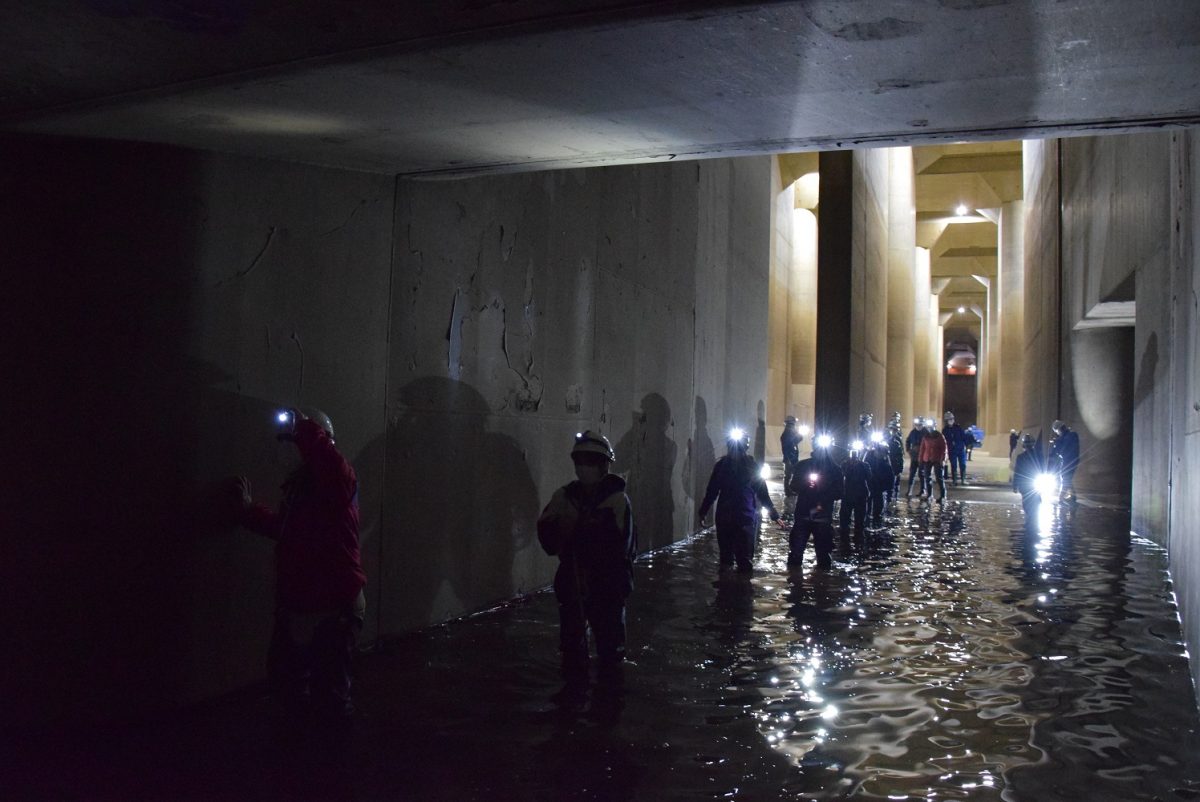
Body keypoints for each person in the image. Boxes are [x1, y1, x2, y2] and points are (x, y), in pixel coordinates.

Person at [231, 407, 368, 723]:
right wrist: (248, 512)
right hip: (303, 605)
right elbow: (289, 530)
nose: (288, 450)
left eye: (292, 442)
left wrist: (305, 428)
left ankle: (326, 751)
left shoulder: (338, 479)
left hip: (333, 608)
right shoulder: (302, 489)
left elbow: (330, 466)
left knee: (329, 701)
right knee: (289, 687)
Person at [537, 430, 637, 683]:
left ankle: (608, 696)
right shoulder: (564, 497)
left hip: (607, 585)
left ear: (604, 465)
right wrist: (560, 533)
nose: (584, 467)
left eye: (591, 461)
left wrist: (583, 536)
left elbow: (622, 547)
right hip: (572, 580)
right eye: (580, 461)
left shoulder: (617, 501)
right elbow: (547, 535)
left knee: (611, 653)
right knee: (572, 648)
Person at [699, 428, 779, 573]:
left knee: (727, 560)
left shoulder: (723, 465)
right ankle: (742, 585)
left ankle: (726, 585)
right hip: (743, 516)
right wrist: (774, 514)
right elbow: (762, 492)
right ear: (746, 446)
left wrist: (703, 512)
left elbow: (712, 492)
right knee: (743, 560)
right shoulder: (749, 465)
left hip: (728, 516)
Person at [786, 436, 840, 569]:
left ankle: (820, 581)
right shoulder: (803, 465)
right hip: (804, 514)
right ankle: (796, 580)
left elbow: (839, 493)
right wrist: (806, 484)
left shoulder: (835, 469)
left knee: (823, 557)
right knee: (796, 555)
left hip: (821, 516)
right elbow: (793, 486)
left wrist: (823, 489)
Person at [839, 440, 872, 540]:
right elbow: (841, 475)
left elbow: (869, 477)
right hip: (848, 493)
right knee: (844, 519)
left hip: (860, 494)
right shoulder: (845, 464)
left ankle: (859, 537)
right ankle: (844, 537)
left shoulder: (864, 465)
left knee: (860, 519)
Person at [1012, 433, 1043, 524]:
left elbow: (1017, 472)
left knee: (1027, 504)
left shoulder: (1021, 457)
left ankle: (1030, 521)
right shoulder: (1039, 456)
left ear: (1023, 445)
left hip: (1025, 485)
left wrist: (1015, 485)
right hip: (1033, 483)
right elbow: (1043, 469)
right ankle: (1032, 521)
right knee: (1036, 501)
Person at [864, 436, 894, 526]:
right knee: (869, 499)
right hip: (870, 484)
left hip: (879, 485)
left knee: (878, 500)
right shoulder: (869, 459)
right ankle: (868, 514)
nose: (880, 454)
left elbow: (890, 477)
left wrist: (889, 490)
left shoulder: (885, 464)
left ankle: (876, 515)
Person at [1049, 420, 1081, 503]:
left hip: (1069, 460)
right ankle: (1073, 496)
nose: (1057, 434)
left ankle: (1061, 497)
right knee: (1067, 478)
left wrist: (1057, 442)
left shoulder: (1070, 436)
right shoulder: (1070, 435)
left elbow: (1063, 449)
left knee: (1065, 478)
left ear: (1059, 430)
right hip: (1069, 460)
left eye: (1057, 432)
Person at [918, 419, 948, 503]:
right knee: (927, 477)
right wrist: (920, 459)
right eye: (928, 427)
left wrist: (943, 459)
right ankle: (929, 495)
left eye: (931, 427)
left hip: (937, 459)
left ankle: (943, 495)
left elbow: (944, 449)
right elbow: (922, 448)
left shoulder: (940, 436)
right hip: (927, 459)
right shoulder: (926, 437)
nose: (929, 428)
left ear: (934, 426)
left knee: (939, 478)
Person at [780, 416, 803, 518]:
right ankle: (788, 490)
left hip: (793, 457)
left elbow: (799, 439)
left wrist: (798, 433)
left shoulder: (790, 433)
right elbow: (786, 447)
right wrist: (788, 459)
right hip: (789, 458)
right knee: (788, 475)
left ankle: (790, 489)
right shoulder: (786, 434)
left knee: (791, 474)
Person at [942, 411, 968, 486]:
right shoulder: (945, 430)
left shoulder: (958, 428)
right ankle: (954, 481)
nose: (951, 420)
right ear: (946, 421)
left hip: (960, 449)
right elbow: (944, 441)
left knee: (963, 465)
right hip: (952, 451)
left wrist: (967, 445)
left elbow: (964, 437)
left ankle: (963, 480)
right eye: (949, 419)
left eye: (952, 419)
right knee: (954, 465)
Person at [904, 417, 925, 499]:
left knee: (922, 474)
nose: (918, 426)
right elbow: (908, 441)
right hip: (914, 457)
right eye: (917, 425)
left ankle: (923, 490)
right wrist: (908, 450)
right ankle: (909, 490)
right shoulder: (913, 432)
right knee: (912, 474)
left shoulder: (926, 432)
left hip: (922, 457)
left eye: (920, 425)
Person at [886, 421, 905, 499]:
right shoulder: (885, 438)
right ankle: (889, 497)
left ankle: (894, 496)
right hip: (887, 463)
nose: (893, 431)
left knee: (895, 481)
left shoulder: (897, 440)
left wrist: (900, 467)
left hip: (894, 463)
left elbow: (900, 454)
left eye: (895, 429)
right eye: (892, 429)